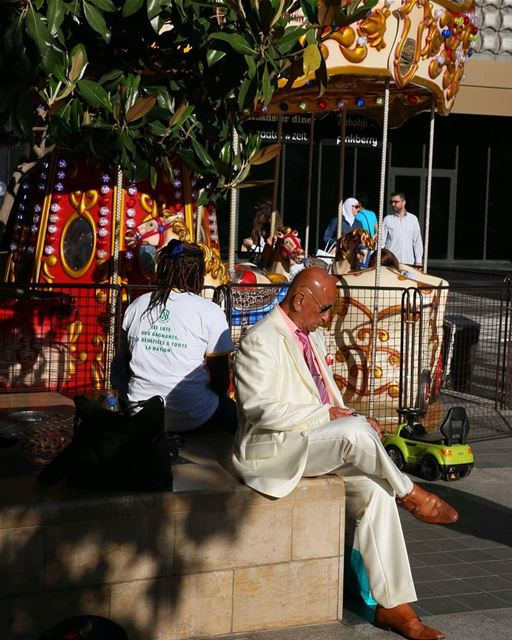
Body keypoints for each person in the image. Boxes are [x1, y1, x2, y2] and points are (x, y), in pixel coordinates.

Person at [232, 267, 457, 640]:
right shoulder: (259, 340)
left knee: (376, 492)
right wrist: (331, 417)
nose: (327, 319)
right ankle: (412, 494)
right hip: (272, 451)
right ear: (299, 299)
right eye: (324, 309)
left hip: (315, 443)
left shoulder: (310, 337)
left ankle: (393, 606)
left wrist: (348, 415)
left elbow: (327, 401)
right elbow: (261, 410)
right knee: (354, 434)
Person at [114, 239, 237, 435]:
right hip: (193, 416)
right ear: (197, 273)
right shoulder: (210, 312)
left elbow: (124, 359)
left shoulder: (137, 305)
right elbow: (221, 376)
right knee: (232, 411)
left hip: (138, 413)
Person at [383, 192, 423, 267]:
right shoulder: (387, 219)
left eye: (396, 202)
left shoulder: (413, 219)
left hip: (408, 262)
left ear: (403, 202)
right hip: (391, 263)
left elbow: (417, 241)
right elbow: (381, 242)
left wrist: (418, 260)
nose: (393, 204)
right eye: (391, 202)